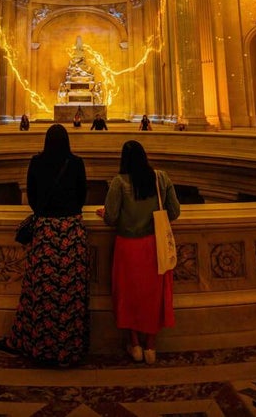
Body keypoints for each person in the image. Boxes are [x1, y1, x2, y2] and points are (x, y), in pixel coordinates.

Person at [0, 124, 90, 366]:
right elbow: (82, 196)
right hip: (71, 234)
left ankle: (38, 346)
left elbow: (33, 198)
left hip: (46, 234)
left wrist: (47, 212)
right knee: (70, 294)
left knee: (40, 294)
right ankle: (69, 349)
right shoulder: (77, 163)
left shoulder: (36, 162)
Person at [97, 140, 180, 365]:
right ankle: (151, 346)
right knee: (153, 295)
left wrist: (102, 213)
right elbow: (174, 211)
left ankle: (135, 345)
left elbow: (111, 217)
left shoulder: (119, 182)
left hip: (128, 247)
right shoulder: (160, 178)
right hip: (154, 245)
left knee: (128, 295)